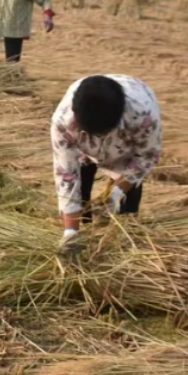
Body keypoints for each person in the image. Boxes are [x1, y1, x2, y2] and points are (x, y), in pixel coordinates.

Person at [50, 74, 163, 253]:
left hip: (125, 143)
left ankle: (126, 240)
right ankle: (84, 233)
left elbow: (146, 157)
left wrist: (117, 191)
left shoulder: (143, 115)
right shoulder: (64, 122)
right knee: (81, 183)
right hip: (82, 144)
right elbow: (66, 175)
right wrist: (70, 231)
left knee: (129, 197)